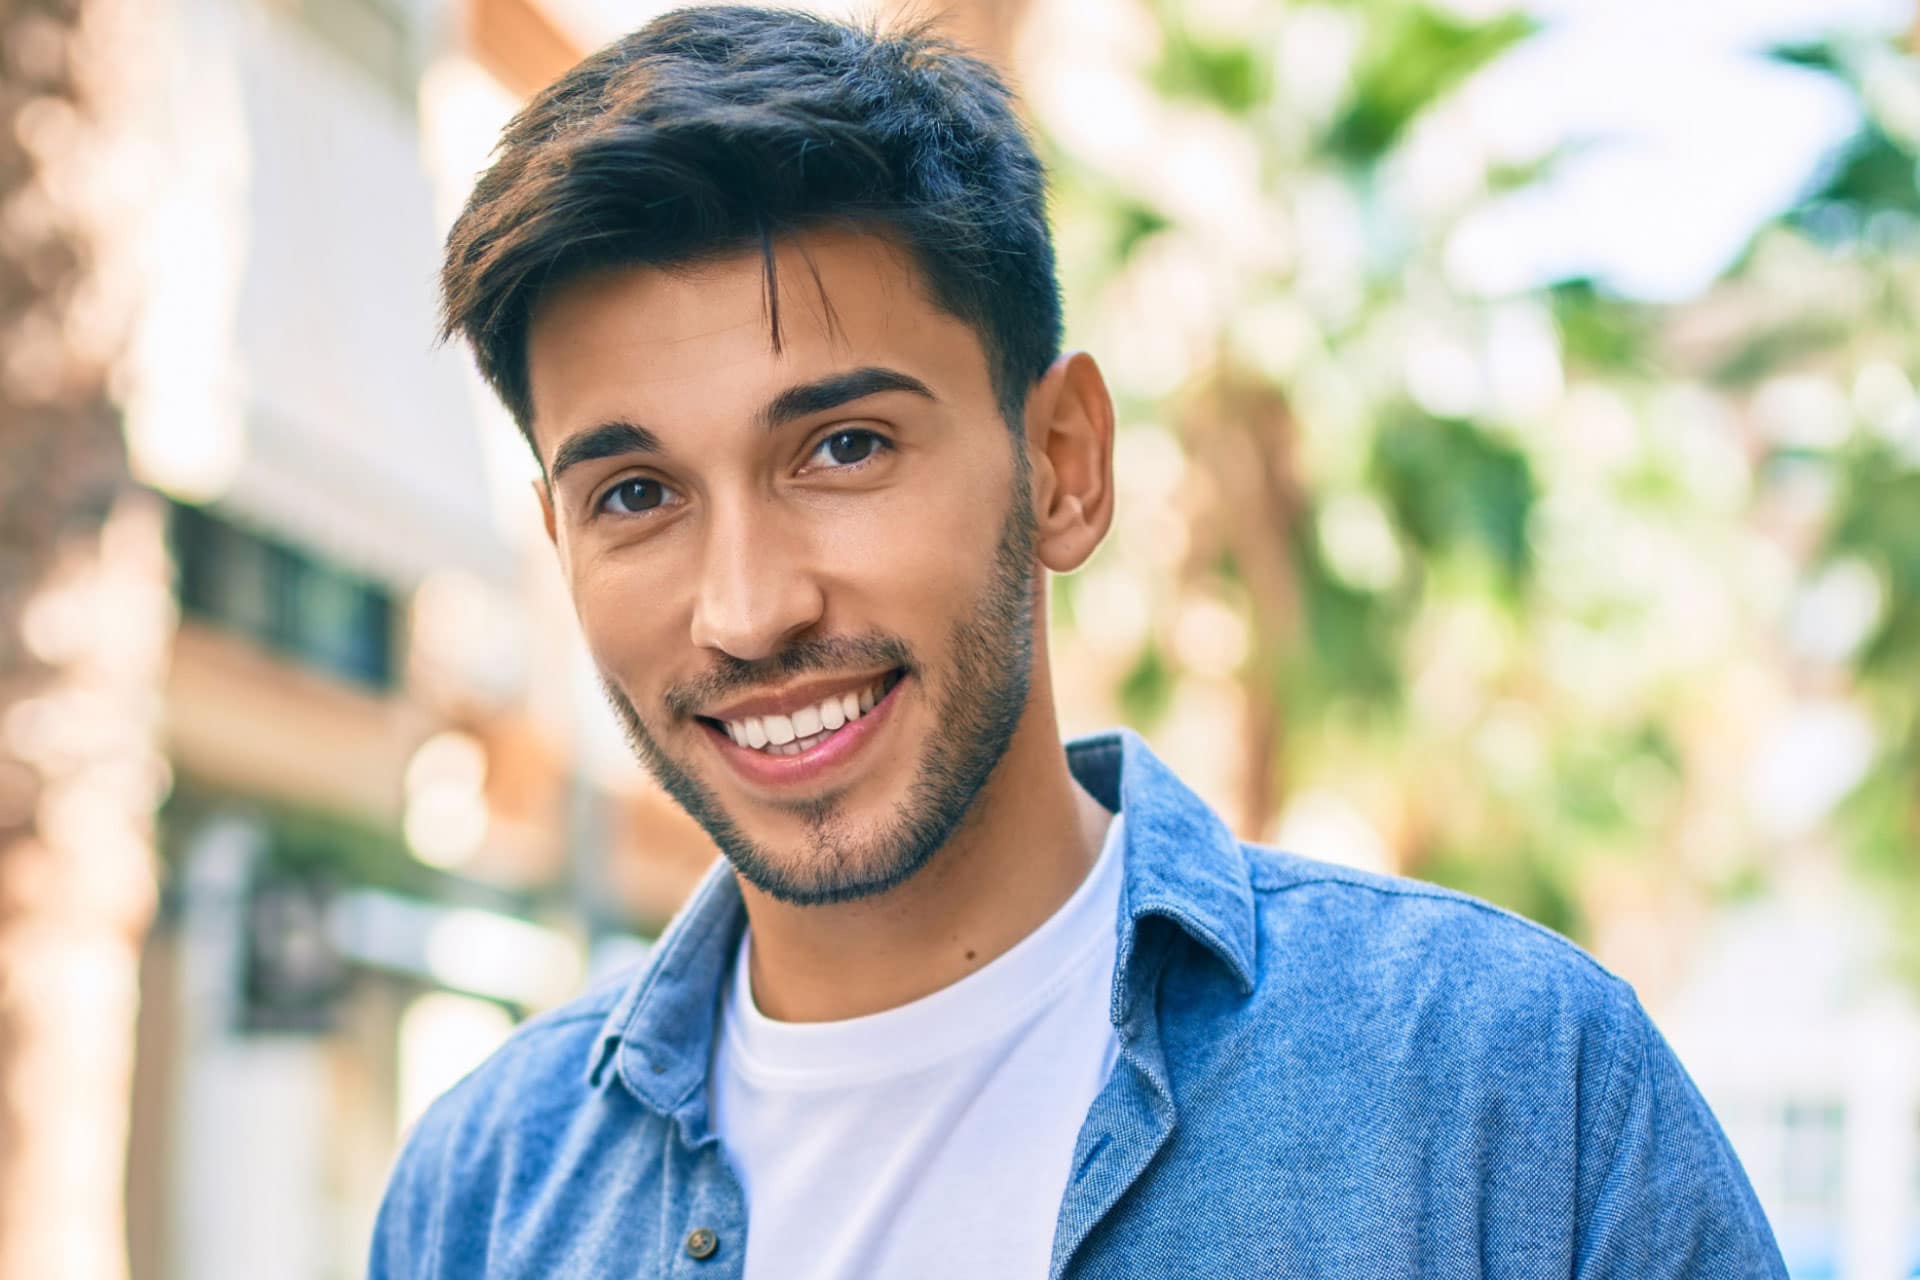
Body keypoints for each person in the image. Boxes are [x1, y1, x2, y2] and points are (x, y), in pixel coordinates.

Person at [369, 8, 1785, 1277]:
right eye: (635, 495)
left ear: (1061, 463)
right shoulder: (483, 1198)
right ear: (560, 544)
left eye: (842, 448)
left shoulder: (1507, 1093)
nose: (748, 610)